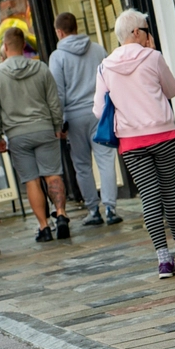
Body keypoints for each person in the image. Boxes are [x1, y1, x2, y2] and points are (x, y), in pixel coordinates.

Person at [94, 9, 175, 278]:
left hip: (131, 143)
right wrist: (153, 54)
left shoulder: (105, 66)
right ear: (137, 32)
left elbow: (97, 110)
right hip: (163, 135)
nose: (150, 35)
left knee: (149, 197)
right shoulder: (153, 56)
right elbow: (172, 90)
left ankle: (163, 260)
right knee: (170, 192)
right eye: (147, 30)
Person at [0, 26, 69, 243]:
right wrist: (57, 126)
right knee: (53, 174)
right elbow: (54, 101)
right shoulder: (41, 68)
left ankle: (44, 227)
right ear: (24, 45)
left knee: (31, 181)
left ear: (5, 47)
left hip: (17, 135)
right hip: (44, 129)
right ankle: (61, 214)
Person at [50, 12, 123, 227]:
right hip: (99, 113)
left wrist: (59, 121)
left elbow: (58, 93)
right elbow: (111, 78)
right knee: (106, 159)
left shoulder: (57, 57)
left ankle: (93, 210)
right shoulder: (98, 49)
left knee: (81, 164)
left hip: (73, 117)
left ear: (60, 32)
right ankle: (110, 208)